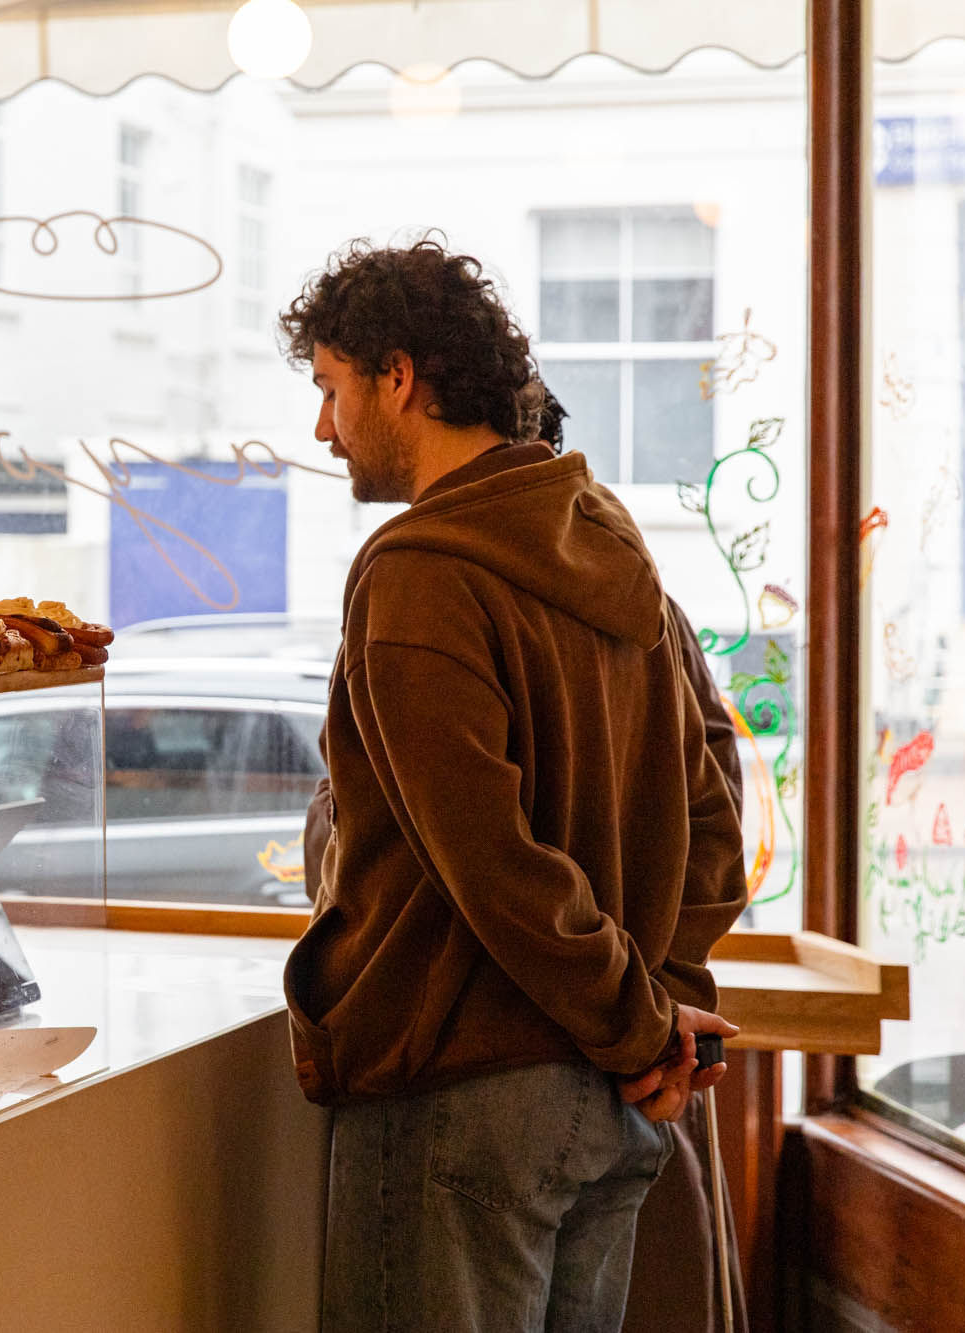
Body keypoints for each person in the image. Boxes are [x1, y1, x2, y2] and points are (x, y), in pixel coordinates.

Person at [278, 237, 750, 1330]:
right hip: (612, 1103)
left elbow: (488, 863)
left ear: (397, 377)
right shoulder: (616, 554)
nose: (321, 427)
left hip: (458, 1095)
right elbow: (715, 818)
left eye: (330, 388)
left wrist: (644, 1027)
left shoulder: (418, 569)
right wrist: (660, 1011)